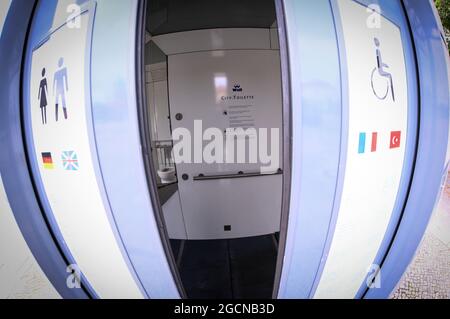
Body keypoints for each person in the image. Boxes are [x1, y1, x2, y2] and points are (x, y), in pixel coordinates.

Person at [374, 37, 395, 102]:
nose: (378, 43)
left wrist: (384, 65)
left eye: (378, 42)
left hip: (381, 68)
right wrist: (381, 66)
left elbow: (379, 61)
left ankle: (392, 94)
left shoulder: (378, 51)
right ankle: (392, 94)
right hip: (380, 70)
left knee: (390, 76)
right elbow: (378, 62)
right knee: (390, 76)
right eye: (377, 42)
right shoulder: (377, 51)